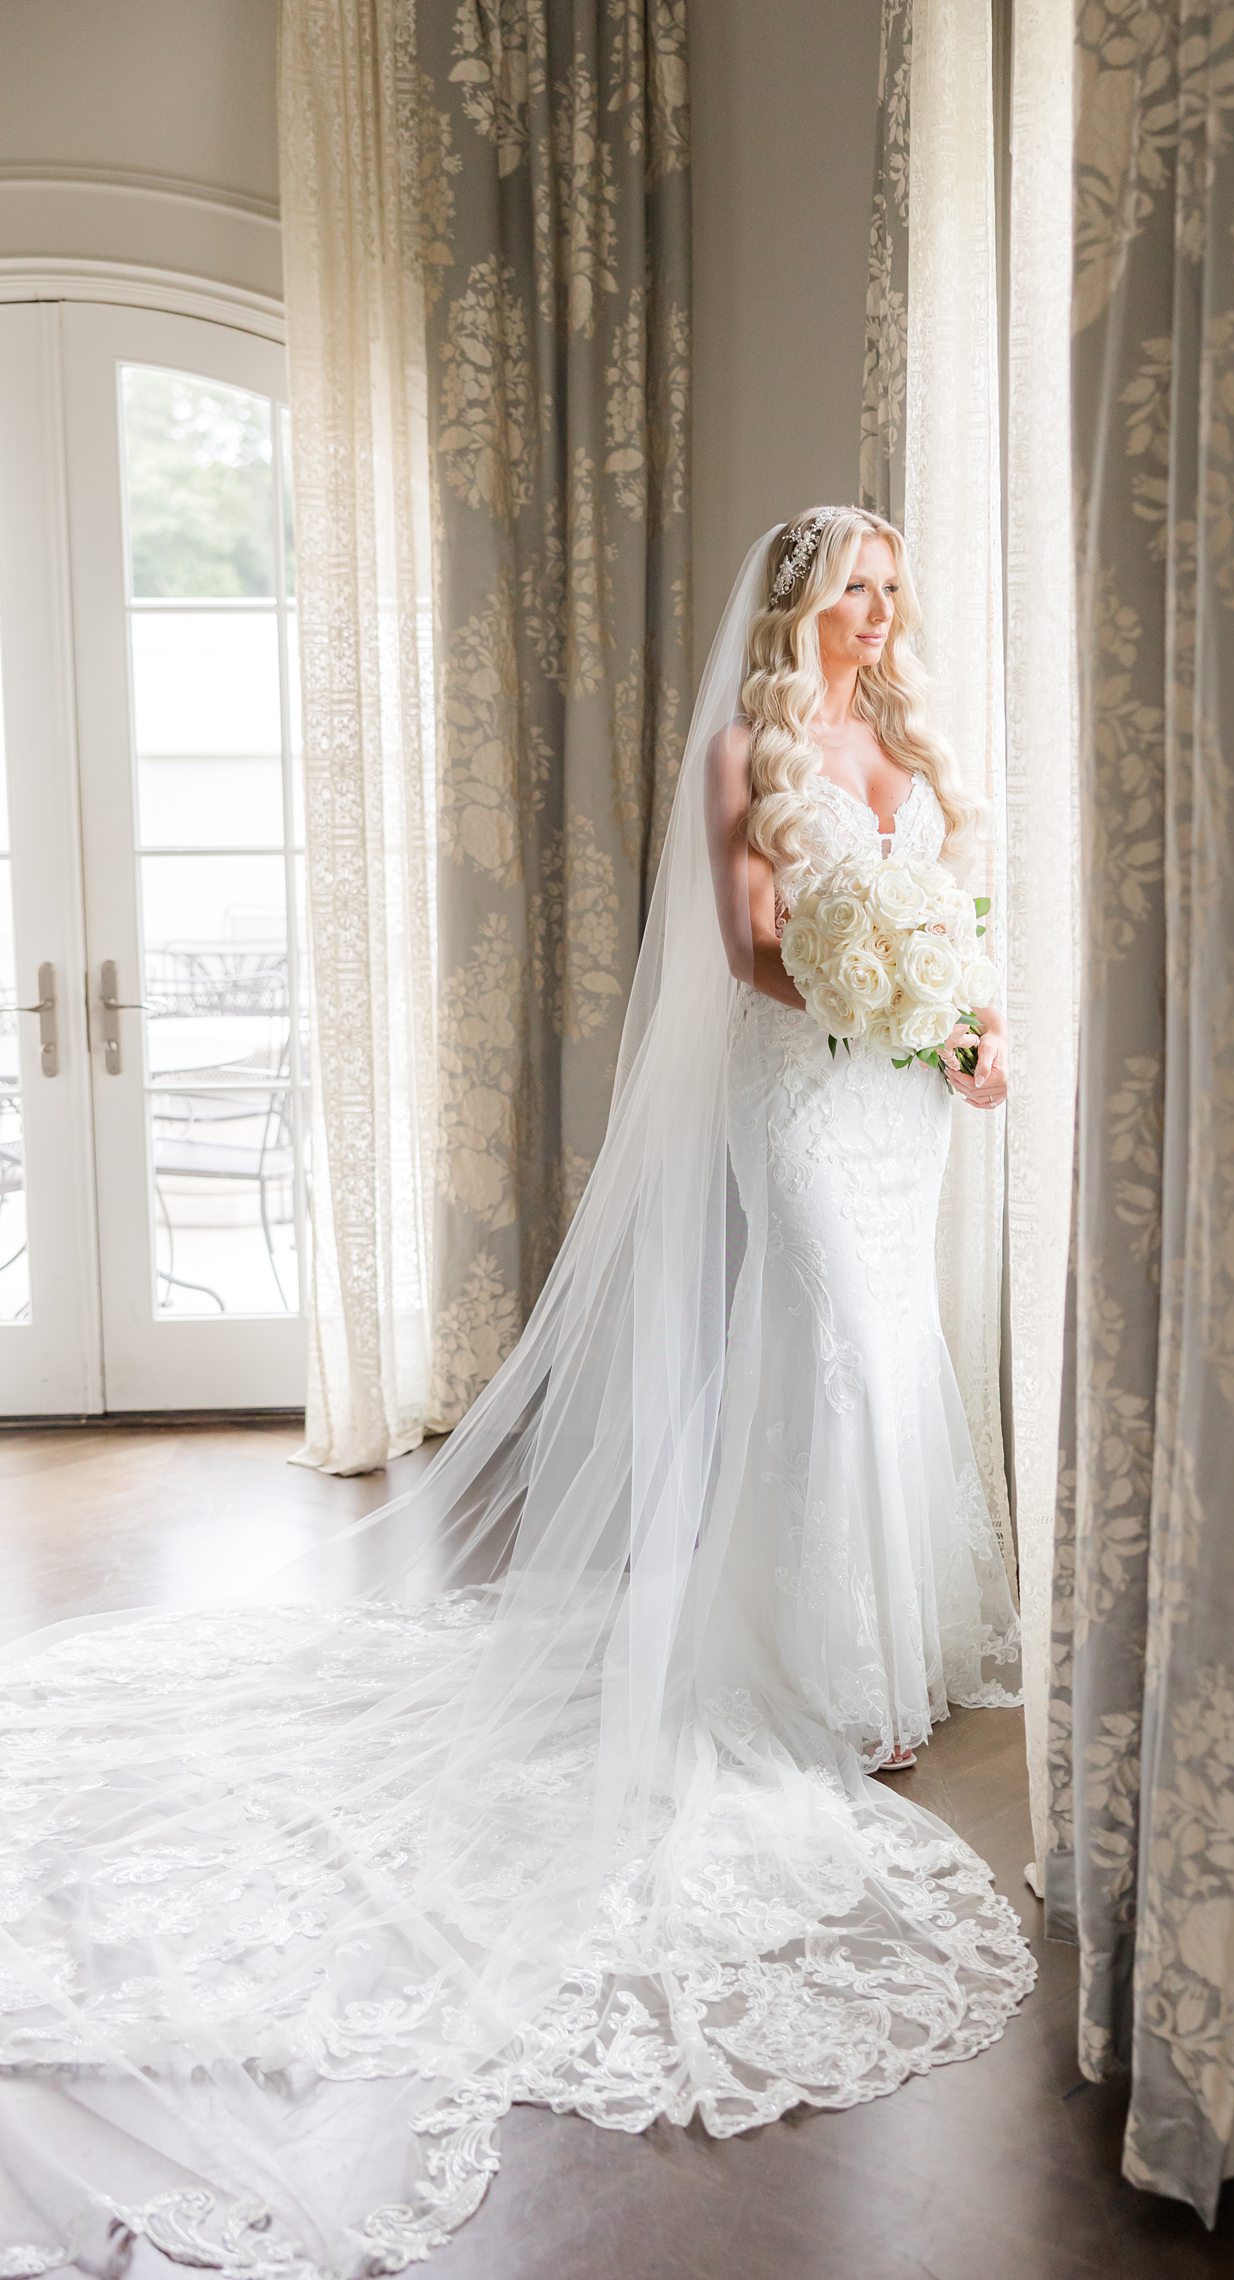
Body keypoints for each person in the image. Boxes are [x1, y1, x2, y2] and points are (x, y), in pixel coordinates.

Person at [0, 510, 1035, 2280]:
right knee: (835, 1353)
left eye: (887, 585)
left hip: (909, 1106)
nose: (873, 612)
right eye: (845, 587)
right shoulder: (746, 747)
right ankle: (813, 1665)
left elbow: (950, 914)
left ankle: (901, 1651)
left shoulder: (915, 744)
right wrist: (893, 1006)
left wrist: (967, 1021)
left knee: (902, 1350)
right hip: (814, 1086)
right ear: (794, 604)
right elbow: (752, 951)